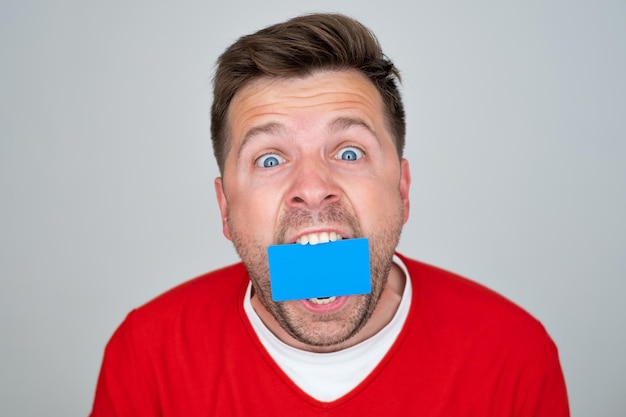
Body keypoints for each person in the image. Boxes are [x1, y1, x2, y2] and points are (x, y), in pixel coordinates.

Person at [90, 13, 569, 416]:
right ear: (225, 209)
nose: (313, 189)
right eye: (270, 159)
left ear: (402, 189)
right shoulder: (146, 357)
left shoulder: (514, 355)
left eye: (349, 152)